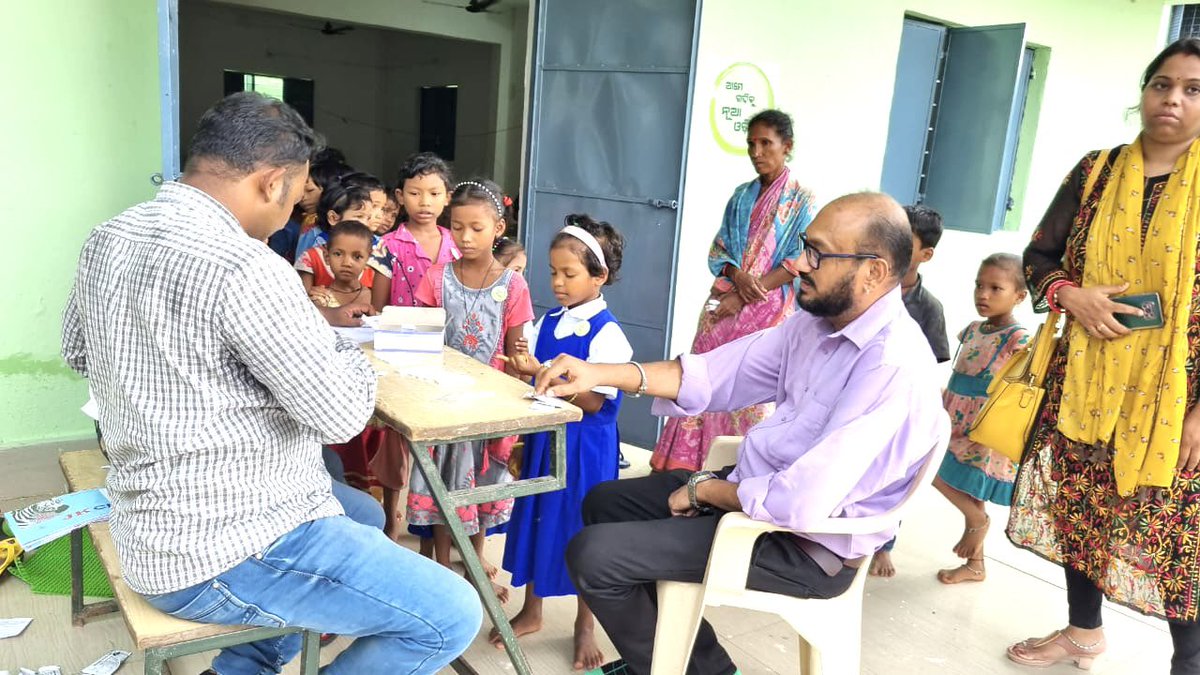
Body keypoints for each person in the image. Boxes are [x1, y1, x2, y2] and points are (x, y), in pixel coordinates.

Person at [60, 92, 480, 675]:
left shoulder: (110, 236)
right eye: (297, 193)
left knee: (359, 513)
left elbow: (78, 351)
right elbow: (339, 415)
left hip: (152, 514)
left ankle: (243, 668)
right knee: (451, 614)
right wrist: (346, 350)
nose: (291, 213)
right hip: (223, 544)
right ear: (272, 183)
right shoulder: (245, 265)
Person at [533, 192, 949, 675]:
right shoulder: (814, 327)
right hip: (759, 497)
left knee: (595, 557)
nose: (797, 264)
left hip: (807, 546)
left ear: (873, 271)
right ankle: (691, 663)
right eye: (804, 246)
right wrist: (598, 372)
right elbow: (714, 375)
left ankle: (678, 667)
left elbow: (801, 501)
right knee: (605, 503)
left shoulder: (891, 367)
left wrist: (705, 490)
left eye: (816, 253)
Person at [1008, 38, 1200, 673]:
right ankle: (1083, 633)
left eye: (1193, 90)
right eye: (1161, 84)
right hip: (1085, 381)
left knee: (1181, 540)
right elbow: (1039, 256)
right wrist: (1071, 295)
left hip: (1180, 399)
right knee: (1082, 510)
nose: (1172, 99)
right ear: (1143, 92)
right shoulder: (1095, 171)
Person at [373, 179, 534, 601]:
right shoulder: (438, 277)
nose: (465, 237)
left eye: (476, 228)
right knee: (442, 484)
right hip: (442, 403)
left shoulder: (513, 286)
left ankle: (475, 564)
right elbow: (424, 338)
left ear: (498, 228)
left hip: (489, 407)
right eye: (458, 227)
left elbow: (517, 354)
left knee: (480, 488)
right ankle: (441, 568)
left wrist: (517, 394)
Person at [499, 215, 632, 671]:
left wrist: (544, 373)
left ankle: (585, 624)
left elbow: (595, 402)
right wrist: (526, 367)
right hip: (546, 441)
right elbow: (539, 377)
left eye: (569, 274)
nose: (557, 282)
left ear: (599, 276)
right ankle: (532, 610)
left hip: (585, 450)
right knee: (539, 516)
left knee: (581, 528)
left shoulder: (608, 332)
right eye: (553, 272)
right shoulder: (550, 320)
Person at [650, 108, 816, 473]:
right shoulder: (741, 196)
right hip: (725, 300)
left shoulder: (802, 199)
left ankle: (735, 472)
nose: (757, 152)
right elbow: (720, 249)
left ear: (787, 146)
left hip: (768, 308)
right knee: (700, 375)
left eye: (766, 143)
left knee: (752, 391)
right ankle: (685, 467)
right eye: (751, 144)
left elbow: (797, 260)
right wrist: (737, 276)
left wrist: (742, 295)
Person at [367, 152, 460, 543]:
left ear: (447, 197)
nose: (425, 202)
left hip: (450, 353)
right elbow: (378, 306)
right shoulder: (388, 246)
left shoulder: (458, 245)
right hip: (400, 352)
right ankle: (393, 515)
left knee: (444, 437)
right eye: (415, 193)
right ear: (399, 196)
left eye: (434, 193)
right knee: (397, 440)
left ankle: (438, 522)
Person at [929, 253, 1029, 585]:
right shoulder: (973, 329)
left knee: (943, 476)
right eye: (979, 285)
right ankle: (976, 562)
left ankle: (976, 522)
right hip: (954, 416)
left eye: (995, 288)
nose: (983, 295)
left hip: (981, 426)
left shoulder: (1018, 339)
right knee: (932, 468)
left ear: (1019, 296)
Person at [871, 203, 952, 578]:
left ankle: (883, 543)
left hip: (897, 406)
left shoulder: (929, 308)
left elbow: (930, 366)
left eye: (907, 240)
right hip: (857, 395)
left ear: (926, 254)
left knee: (891, 476)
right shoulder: (866, 287)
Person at [268, 149, 350, 263]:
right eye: (302, 190)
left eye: (310, 191)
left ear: (329, 190)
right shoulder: (297, 224)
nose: (302, 197)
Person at [306, 220, 376, 309]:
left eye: (357, 257)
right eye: (338, 254)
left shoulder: (374, 297)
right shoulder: (321, 298)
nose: (347, 263)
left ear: (368, 260)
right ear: (327, 257)